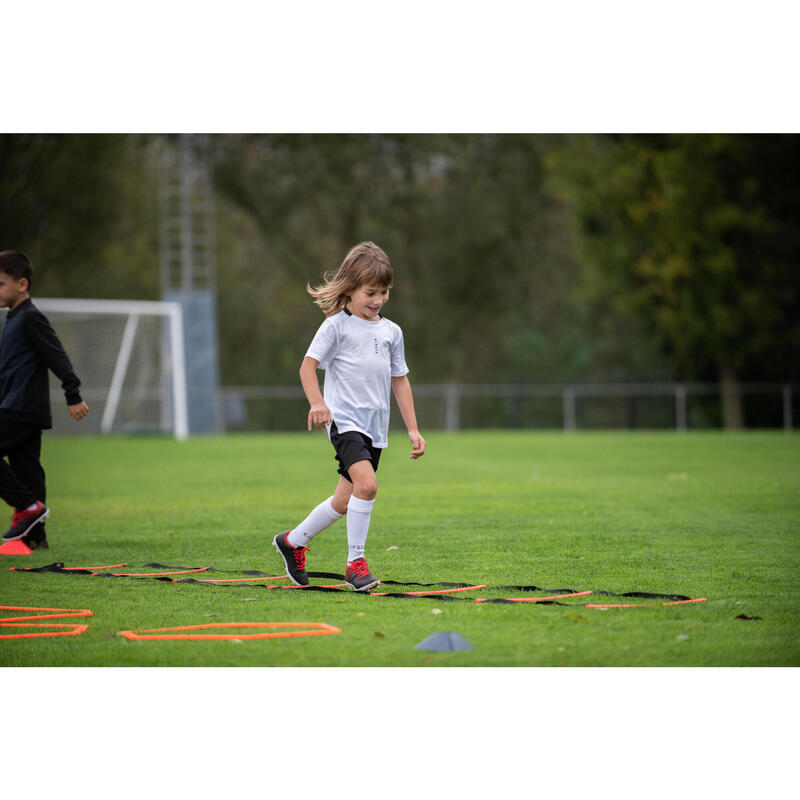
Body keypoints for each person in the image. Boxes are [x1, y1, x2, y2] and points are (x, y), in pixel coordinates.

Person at [273, 242, 426, 591]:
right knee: (368, 486)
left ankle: (292, 541)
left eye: (384, 292)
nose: (378, 299)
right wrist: (317, 403)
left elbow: (400, 382)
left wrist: (414, 429)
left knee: (345, 501)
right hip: (344, 422)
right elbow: (307, 367)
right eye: (370, 292)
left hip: (375, 429)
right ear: (350, 288)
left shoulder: (392, 332)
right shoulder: (335, 327)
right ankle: (355, 563)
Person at [0, 250, 89, 549]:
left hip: (21, 408)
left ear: (21, 284)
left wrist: (72, 393)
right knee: (27, 470)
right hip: (15, 407)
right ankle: (35, 539)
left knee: (27, 476)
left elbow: (57, 356)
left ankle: (28, 508)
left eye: (1, 284)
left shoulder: (31, 318)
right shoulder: (13, 319)